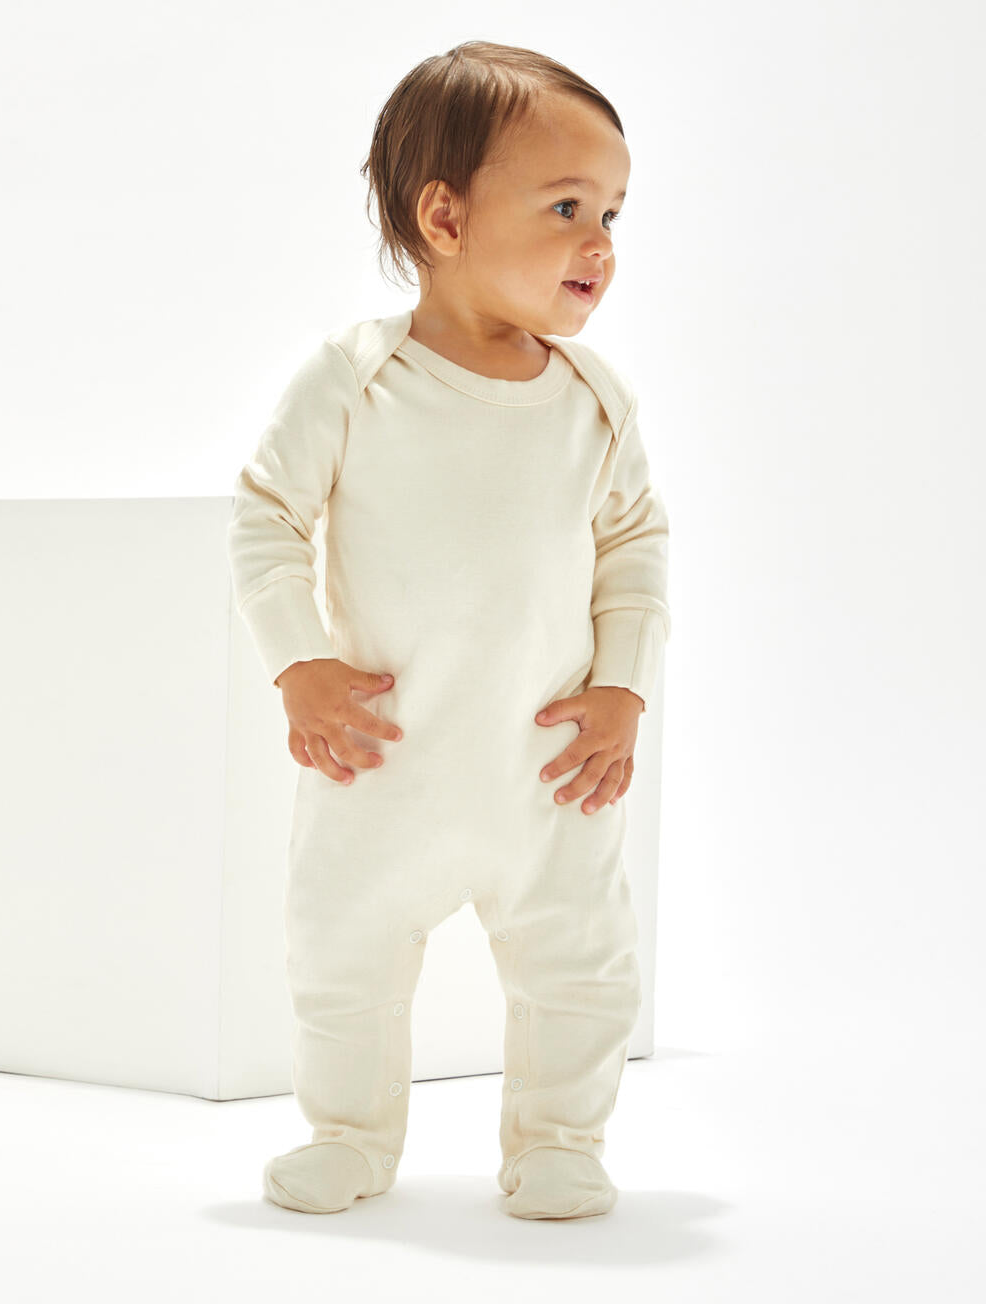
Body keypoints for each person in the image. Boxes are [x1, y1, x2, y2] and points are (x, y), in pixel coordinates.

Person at [226, 39, 671, 1221]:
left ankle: (559, 1139)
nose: (600, 243)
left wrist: (622, 684)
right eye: (567, 207)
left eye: (613, 213)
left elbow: (634, 546)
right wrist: (299, 663)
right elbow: (268, 515)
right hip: (382, 756)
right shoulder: (356, 377)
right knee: (344, 956)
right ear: (444, 216)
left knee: (580, 963)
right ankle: (347, 1131)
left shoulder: (595, 401)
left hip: (548, 769)